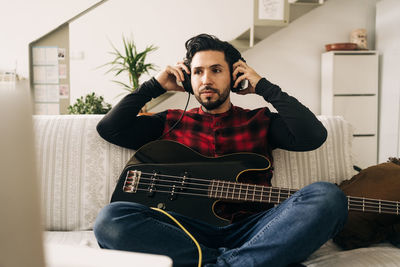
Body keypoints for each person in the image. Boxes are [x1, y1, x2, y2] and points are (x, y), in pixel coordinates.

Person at [94, 33, 348, 267]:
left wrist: (263, 86)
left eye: (216, 70)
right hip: (184, 232)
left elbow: (314, 135)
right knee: (110, 220)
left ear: (235, 77)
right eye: (197, 72)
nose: (206, 80)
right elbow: (110, 129)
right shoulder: (170, 120)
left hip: (254, 230)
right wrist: (154, 86)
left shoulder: (260, 120)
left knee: (327, 196)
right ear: (187, 79)